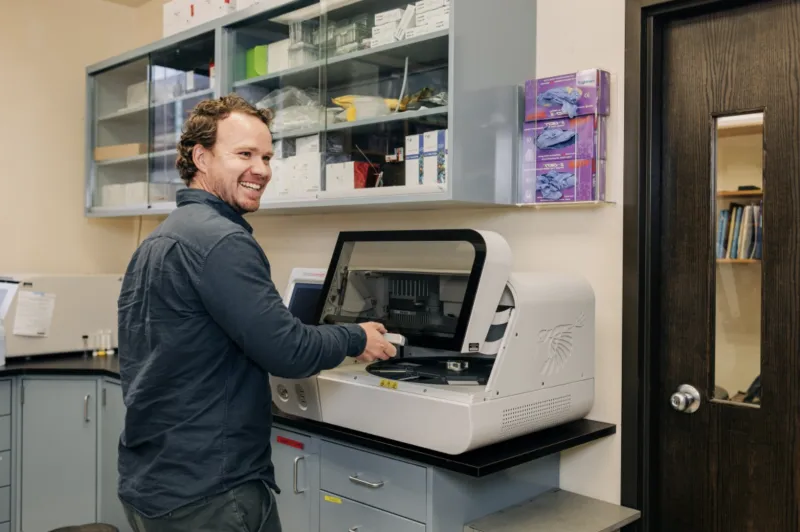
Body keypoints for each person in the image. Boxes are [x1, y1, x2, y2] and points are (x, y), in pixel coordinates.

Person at [116, 94, 397, 532]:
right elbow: (288, 351)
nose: (262, 169)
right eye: (244, 154)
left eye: (267, 156)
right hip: (210, 491)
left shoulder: (161, 239)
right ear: (201, 157)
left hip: (152, 482)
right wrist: (357, 337)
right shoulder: (222, 242)